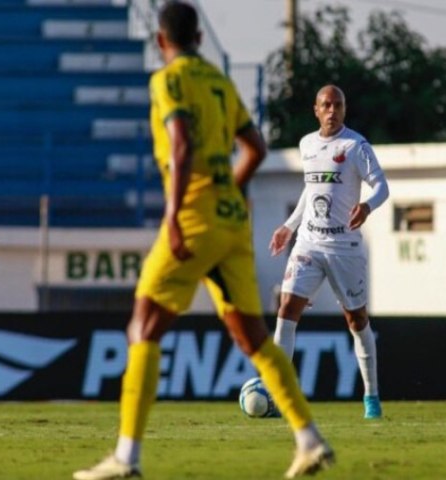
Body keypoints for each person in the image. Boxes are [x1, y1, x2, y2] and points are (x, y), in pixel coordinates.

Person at [73, 3, 334, 479]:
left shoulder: (167, 80)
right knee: (252, 335)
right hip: (232, 219)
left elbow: (180, 145)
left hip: (192, 216)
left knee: (143, 326)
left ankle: (126, 458)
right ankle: (309, 440)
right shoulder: (219, 82)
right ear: (197, 36)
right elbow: (255, 148)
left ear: (160, 41)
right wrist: (227, 191)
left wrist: (174, 215)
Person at [269, 85, 389, 420]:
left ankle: (371, 397)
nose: (332, 110)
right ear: (316, 110)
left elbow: (382, 186)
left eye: (338, 105)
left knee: (357, 319)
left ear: (344, 109)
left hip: (344, 246)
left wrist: (367, 205)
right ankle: (279, 394)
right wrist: (288, 227)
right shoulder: (307, 144)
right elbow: (311, 188)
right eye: (326, 105)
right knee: (287, 307)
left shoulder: (355, 145)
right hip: (308, 242)